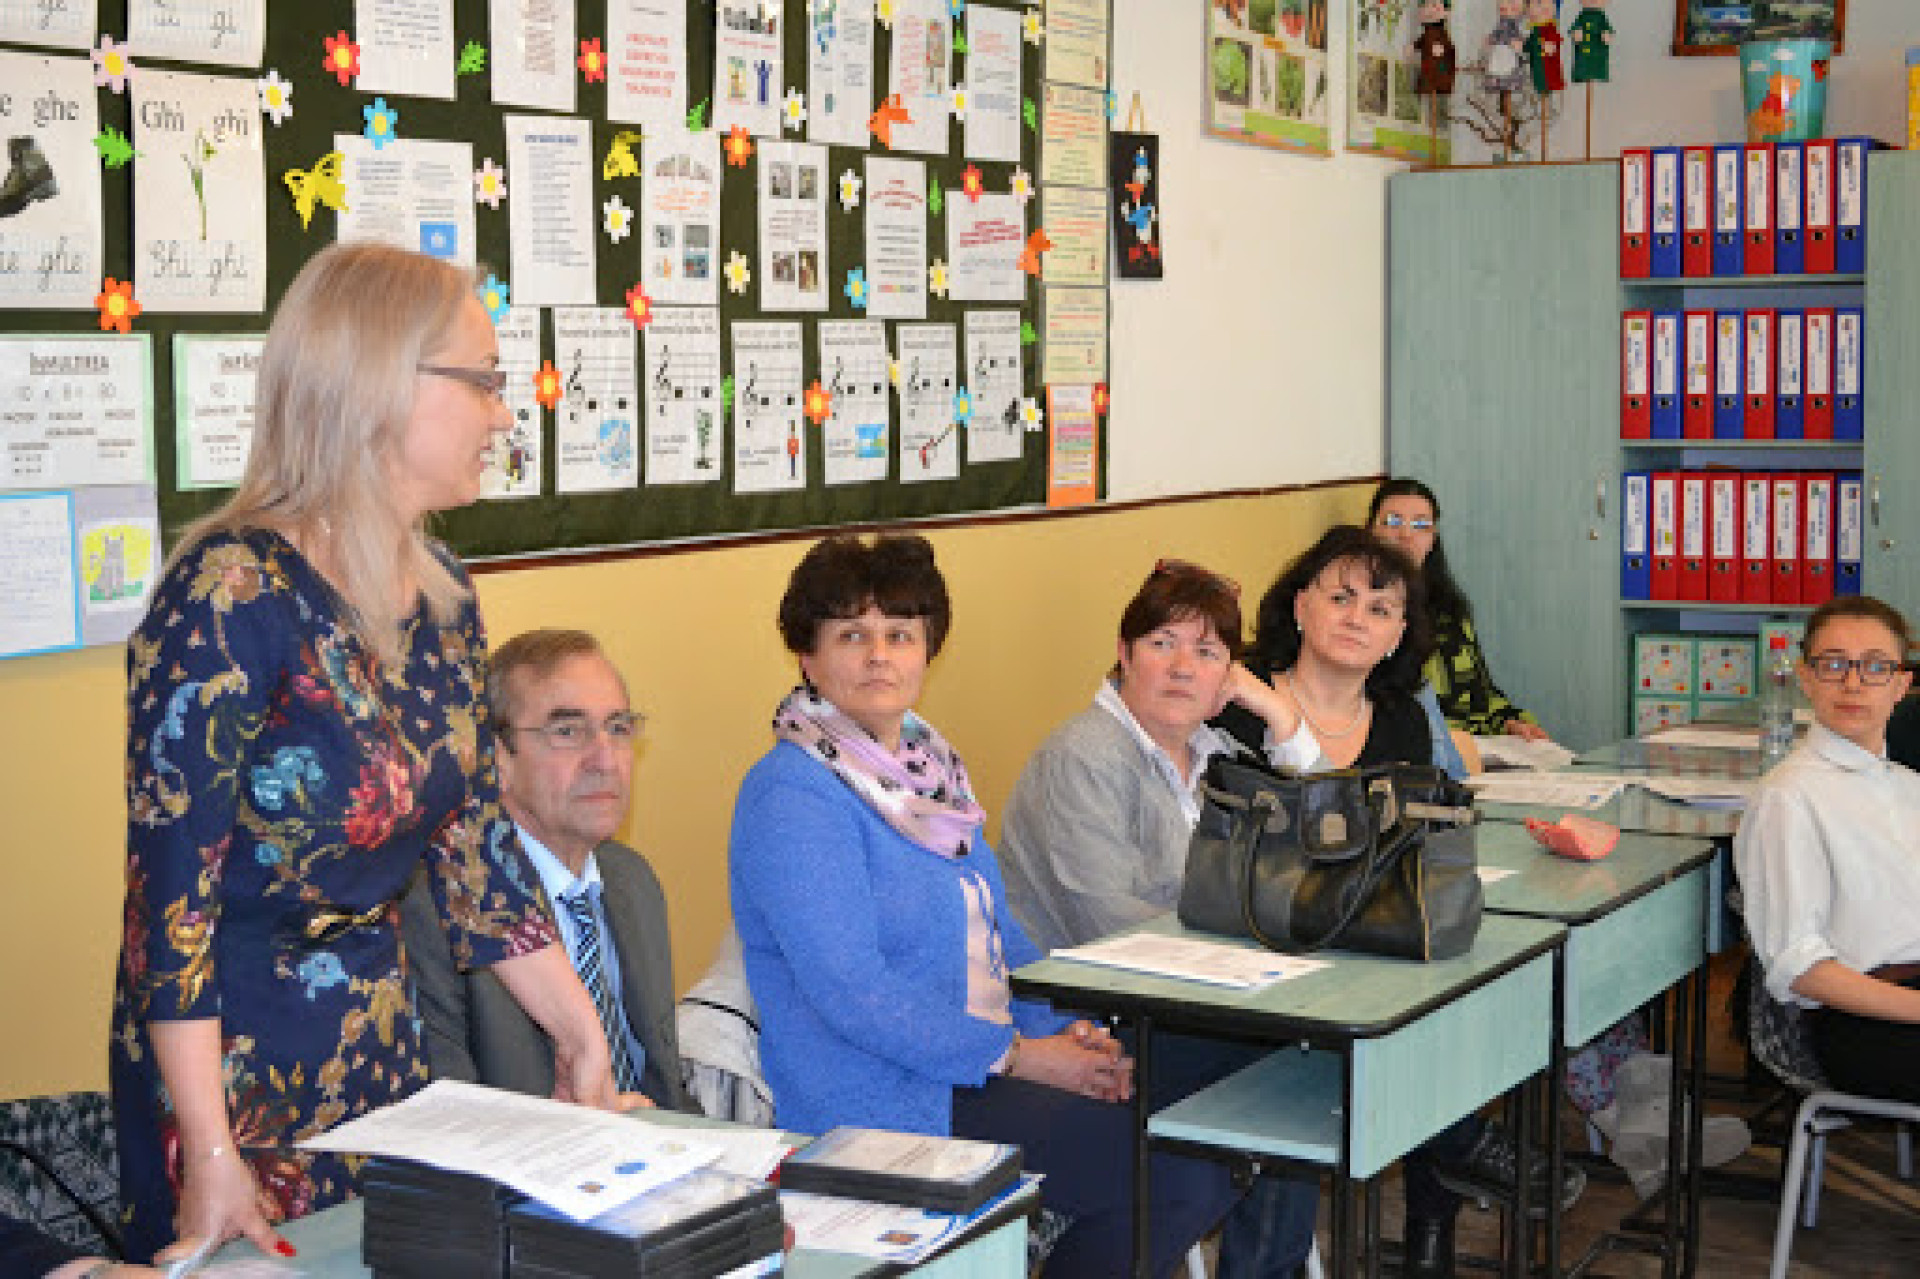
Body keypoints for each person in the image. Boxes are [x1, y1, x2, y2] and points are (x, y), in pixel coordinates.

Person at [111, 243, 618, 1264]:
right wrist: (208, 1147)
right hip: (227, 1075)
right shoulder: (227, 594)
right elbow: (169, 914)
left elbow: (478, 857)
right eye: (482, 380)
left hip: (380, 1053)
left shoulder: (443, 591)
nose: (503, 414)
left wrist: (582, 1035)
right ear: (380, 386)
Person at [729, 533, 1236, 1278]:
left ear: (927, 650)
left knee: (1195, 1151)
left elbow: (1003, 938)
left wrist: (1071, 1035)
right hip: (885, 1096)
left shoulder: (926, 773)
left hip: (974, 1065)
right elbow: (853, 992)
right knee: (1176, 1177)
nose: (879, 656)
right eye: (852, 636)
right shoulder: (793, 794)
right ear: (808, 656)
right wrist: (1023, 1057)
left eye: (900, 634)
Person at [1218, 526, 1581, 1279]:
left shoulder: (1403, 719)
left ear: (1397, 637)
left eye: (1380, 609)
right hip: (1258, 936)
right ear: (1300, 605)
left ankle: (1430, 1231)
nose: (1357, 617)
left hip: (1359, 934)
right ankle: (1461, 1145)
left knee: (1450, 987)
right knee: (1369, 1034)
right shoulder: (1242, 702)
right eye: (1341, 597)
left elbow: (1401, 847)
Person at [999, 558, 1320, 1277]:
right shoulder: (1085, 754)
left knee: (1303, 1072)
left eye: (1206, 652)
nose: (1181, 668)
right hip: (1088, 1015)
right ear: (1124, 652)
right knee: (1292, 1070)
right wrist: (1246, 948)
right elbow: (1106, 926)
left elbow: (1312, 842)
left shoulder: (1216, 756)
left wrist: (1274, 712)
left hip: (1180, 998)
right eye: (1161, 643)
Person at [403, 629, 691, 1111]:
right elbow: (447, 1121)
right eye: (568, 732)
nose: (605, 760)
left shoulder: (631, 880)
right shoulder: (436, 909)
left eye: (618, 728)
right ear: (496, 758)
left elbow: (665, 1090)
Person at [1735, 595, 1920, 1104]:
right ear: (1805, 677)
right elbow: (1800, 968)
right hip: (1866, 1019)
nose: (1853, 683)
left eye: (1875, 667)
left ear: (1901, 685)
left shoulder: (1908, 787)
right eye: (1834, 664)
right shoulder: (1788, 797)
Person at [1367, 478, 1549, 741]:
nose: (1406, 535)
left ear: (1433, 539)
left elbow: (1481, 693)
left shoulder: (1449, 609)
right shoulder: (1363, 613)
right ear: (1371, 531)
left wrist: (1510, 721)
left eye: (1421, 525)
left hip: (1474, 743)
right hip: (1409, 744)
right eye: (1393, 522)